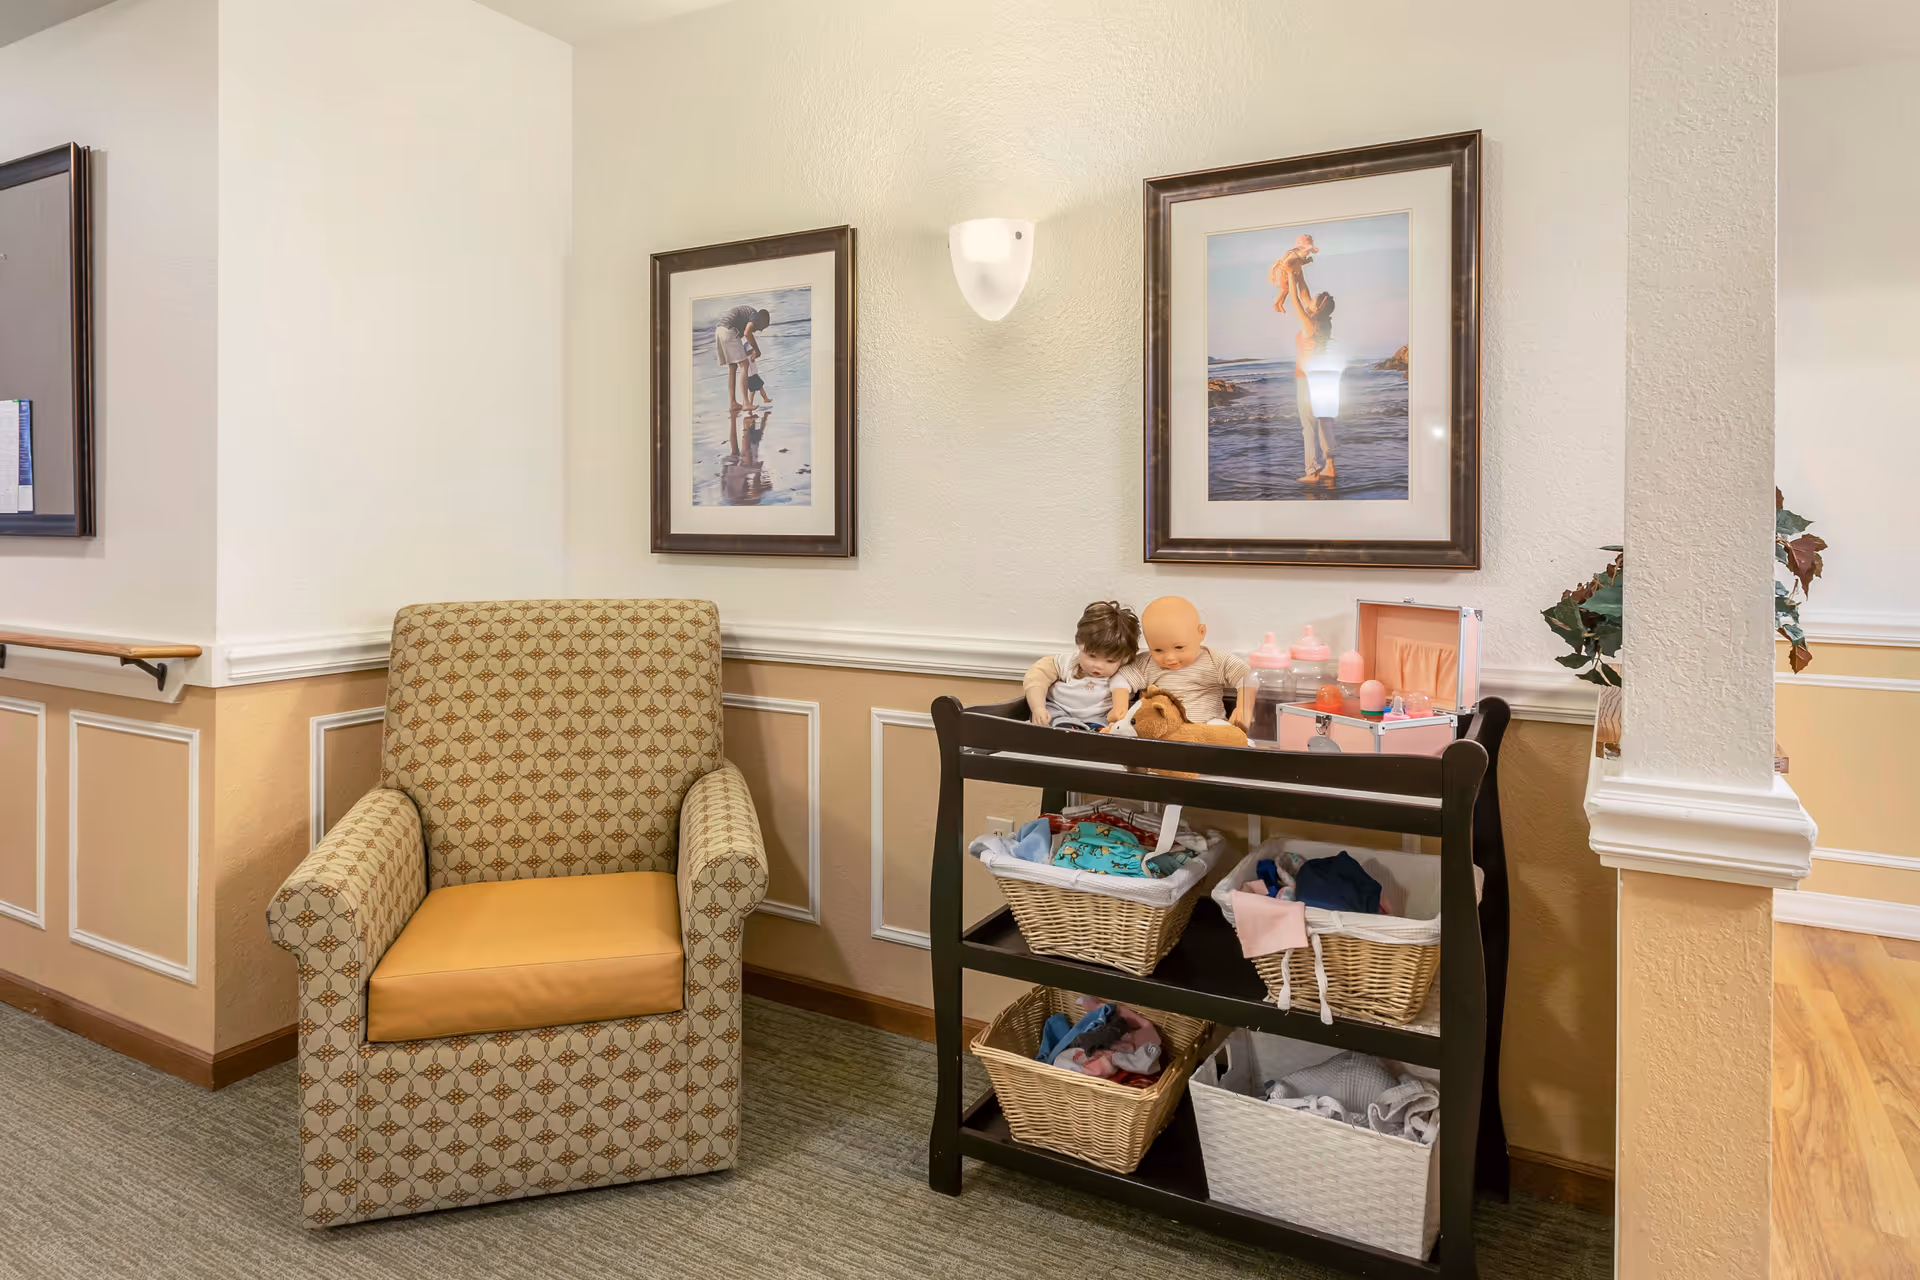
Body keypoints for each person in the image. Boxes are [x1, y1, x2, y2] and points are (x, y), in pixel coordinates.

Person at [1024, 602, 1142, 730]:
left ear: (1125, 658)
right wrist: (1038, 707)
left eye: (1110, 661)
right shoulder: (1070, 662)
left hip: (1099, 717)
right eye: (1091, 656)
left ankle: (1092, 731)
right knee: (1049, 712)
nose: (1098, 666)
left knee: (1115, 724)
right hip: (1060, 708)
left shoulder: (1125, 674)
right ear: (1079, 645)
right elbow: (1038, 676)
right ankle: (1065, 727)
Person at [1284, 259, 1338, 484]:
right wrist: (1299, 271)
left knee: (1308, 424)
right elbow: (1304, 293)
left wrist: (1288, 274)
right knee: (1325, 420)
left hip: (1306, 379)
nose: (1310, 299)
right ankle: (1330, 467)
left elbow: (1296, 300)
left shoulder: (1309, 323)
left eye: (1313, 301)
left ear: (1315, 308)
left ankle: (1312, 471)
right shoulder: (1325, 322)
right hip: (1324, 377)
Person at [714, 303, 770, 412]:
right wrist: (757, 351)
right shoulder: (755, 315)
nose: (760, 330)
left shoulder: (749, 315)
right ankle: (746, 403)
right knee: (744, 364)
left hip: (720, 330)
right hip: (729, 330)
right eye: (762, 327)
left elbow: (745, 333)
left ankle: (732, 403)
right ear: (762, 320)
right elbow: (747, 332)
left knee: (733, 367)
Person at [1267, 234, 1318, 315]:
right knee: (1284, 290)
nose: (1307, 253)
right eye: (1307, 251)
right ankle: (1276, 303)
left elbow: (1300, 262)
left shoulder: (1298, 256)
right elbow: (1286, 263)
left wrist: (1307, 261)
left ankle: (1280, 304)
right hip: (1284, 275)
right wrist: (1288, 270)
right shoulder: (1293, 254)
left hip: (1289, 274)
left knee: (1286, 291)